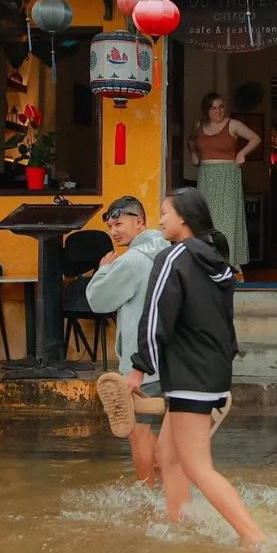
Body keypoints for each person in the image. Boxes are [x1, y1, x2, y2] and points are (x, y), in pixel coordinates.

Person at [127, 188, 264, 548]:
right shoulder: (216, 260)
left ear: (184, 218)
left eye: (164, 213)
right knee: (166, 455)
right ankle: (180, 521)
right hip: (212, 370)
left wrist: (139, 369)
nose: (159, 220)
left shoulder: (172, 258)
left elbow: (156, 316)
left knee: (197, 467)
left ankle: (255, 539)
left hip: (189, 374)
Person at [87, 196, 170, 485]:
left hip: (142, 362)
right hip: (171, 357)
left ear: (140, 222)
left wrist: (104, 270)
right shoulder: (169, 251)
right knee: (167, 433)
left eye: (119, 224)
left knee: (139, 434)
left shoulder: (132, 261)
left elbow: (98, 300)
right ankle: (170, 494)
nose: (114, 232)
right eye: (110, 226)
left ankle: (148, 496)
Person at [187, 92, 260, 276]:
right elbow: (191, 141)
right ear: (206, 110)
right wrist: (194, 155)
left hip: (228, 174)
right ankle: (207, 261)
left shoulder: (233, 124)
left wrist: (242, 153)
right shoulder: (199, 126)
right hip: (206, 175)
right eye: (213, 108)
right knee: (206, 219)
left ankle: (232, 262)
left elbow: (255, 138)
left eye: (221, 107)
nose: (218, 111)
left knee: (228, 220)